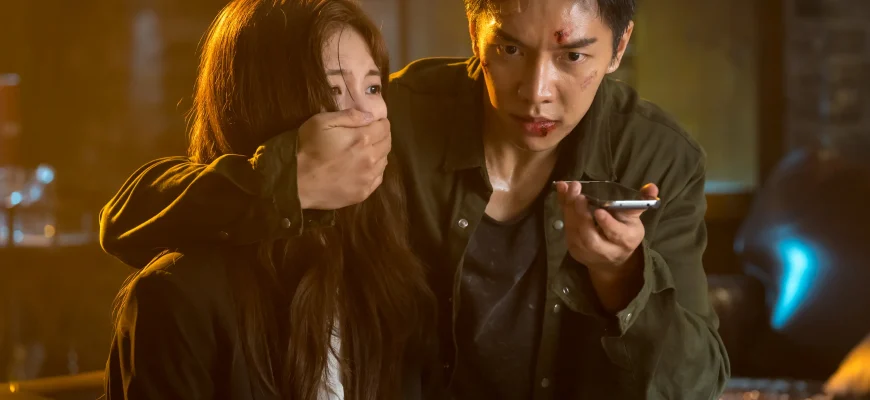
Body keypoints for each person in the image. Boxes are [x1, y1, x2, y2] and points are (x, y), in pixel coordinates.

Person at [100, 0, 730, 398]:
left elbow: (694, 384)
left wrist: (621, 276)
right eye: (510, 49)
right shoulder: (394, 117)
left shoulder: (655, 158)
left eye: (572, 56)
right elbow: (131, 221)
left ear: (618, 48)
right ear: (474, 32)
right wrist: (288, 180)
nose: (537, 90)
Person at [102, 0, 436, 399]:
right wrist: (289, 182)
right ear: (266, 106)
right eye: (332, 89)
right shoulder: (182, 297)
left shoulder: (382, 263)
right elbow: (124, 218)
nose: (367, 116)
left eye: (373, 87)